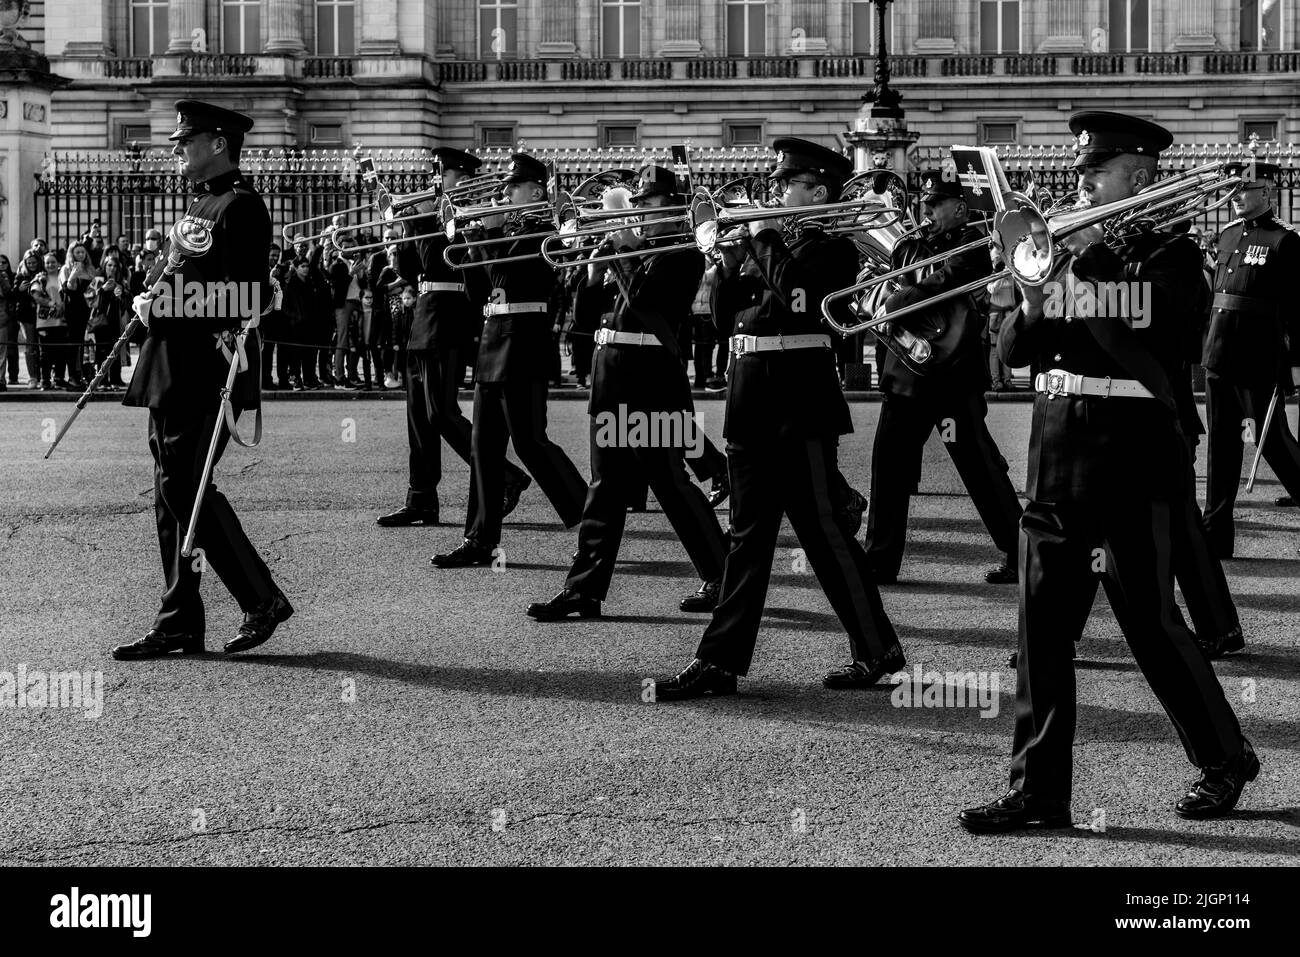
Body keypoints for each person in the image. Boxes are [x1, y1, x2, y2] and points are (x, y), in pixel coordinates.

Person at [959, 111, 1257, 833]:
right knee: (1041, 630)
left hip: (1132, 454)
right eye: (1084, 168)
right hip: (1056, 452)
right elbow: (1017, 350)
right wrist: (1028, 288)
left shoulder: (1173, 256)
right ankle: (1038, 791)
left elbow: (1144, 329)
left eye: (1098, 170)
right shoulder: (1061, 252)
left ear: (1140, 177)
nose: (1082, 179)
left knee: (1151, 624)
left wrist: (1081, 263)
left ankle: (1225, 756)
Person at [653, 137, 903, 700]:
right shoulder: (769, 250)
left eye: (785, 184)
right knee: (747, 536)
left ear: (817, 191)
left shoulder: (833, 248)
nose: (774, 192)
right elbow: (726, 322)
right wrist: (726, 261)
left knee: (824, 534)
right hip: (749, 403)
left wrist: (762, 236)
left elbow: (796, 298)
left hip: (799, 404)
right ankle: (720, 660)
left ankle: (877, 648)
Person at [111, 99, 292, 660]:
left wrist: (161, 309)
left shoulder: (242, 207)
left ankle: (260, 598)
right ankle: (180, 620)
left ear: (218, 143)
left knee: (187, 490)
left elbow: (245, 296)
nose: (176, 148)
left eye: (186, 141)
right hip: (172, 365)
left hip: (204, 368)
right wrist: (151, 298)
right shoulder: (201, 204)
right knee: (171, 494)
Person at [525, 166, 729, 621]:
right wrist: (596, 267)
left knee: (669, 481)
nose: (638, 213)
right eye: (635, 205)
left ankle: (722, 575)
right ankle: (585, 589)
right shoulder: (633, 250)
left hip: (651, 373)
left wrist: (622, 250)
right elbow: (584, 310)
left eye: (647, 205)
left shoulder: (684, 252)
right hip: (611, 369)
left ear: (672, 207)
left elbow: (643, 298)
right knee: (606, 483)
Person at [862, 170, 1024, 586]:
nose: (926, 211)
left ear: (959, 209)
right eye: (925, 205)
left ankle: (1021, 553)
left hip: (952, 377)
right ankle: (880, 559)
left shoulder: (971, 247)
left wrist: (895, 298)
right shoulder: (908, 246)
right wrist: (871, 292)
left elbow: (945, 282)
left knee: (980, 469)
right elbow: (886, 290)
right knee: (889, 468)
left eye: (935, 205)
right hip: (905, 374)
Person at [432, 152, 588, 567]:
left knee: (531, 442)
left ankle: (592, 523)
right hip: (492, 341)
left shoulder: (545, 232)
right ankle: (480, 539)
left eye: (512, 187)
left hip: (523, 342)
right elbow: (479, 290)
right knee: (484, 446)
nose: (504, 192)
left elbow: (513, 278)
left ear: (535, 191)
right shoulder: (507, 232)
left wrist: (493, 236)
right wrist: (472, 240)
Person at [377, 146, 532, 528]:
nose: (434, 180)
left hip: (449, 318)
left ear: (459, 178)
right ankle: (421, 499)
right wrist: (403, 239)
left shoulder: (466, 216)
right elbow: (417, 270)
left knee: (441, 412)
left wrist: (423, 223)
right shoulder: (434, 214)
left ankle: (507, 477)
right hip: (424, 318)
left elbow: (448, 263)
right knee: (419, 418)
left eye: (440, 174)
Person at [1201, 161, 1300, 548]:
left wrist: (1287, 363)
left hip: (1258, 357)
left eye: (1246, 188)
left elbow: (1296, 309)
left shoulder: (1284, 241)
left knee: (1270, 441)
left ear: (1268, 193)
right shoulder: (1225, 237)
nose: (1237, 195)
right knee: (1220, 444)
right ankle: (1217, 531)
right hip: (1219, 354)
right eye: (1234, 189)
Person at [89, 247, 130, 390]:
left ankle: (116, 378)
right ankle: (102, 380)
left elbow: (127, 303)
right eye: (109, 265)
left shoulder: (122, 282)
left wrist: (121, 295)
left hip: (116, 320)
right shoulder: (98, 280)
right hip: (101, 321)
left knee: (116, 349)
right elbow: (88, 298)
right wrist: (102, 290)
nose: (112, 268)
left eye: (115, 266)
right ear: (105, 266)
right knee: (101, 351)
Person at [58, 241, 96, 390]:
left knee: (84, 343)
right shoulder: (66, 268)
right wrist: (74, 273)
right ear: (72, 253)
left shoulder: (90, 268)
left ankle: (83, 375)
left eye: (82, 252)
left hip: (87, 307)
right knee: (73, 343)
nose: (80, 254)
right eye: (77, 252)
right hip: (72, 308)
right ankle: (73, 376)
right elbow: (68, 289)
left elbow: (95, 287)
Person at [30, 252, 67, 390]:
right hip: (45, 321)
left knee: (61, 351)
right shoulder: (40, 278)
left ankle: (59, 379)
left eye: (53, 262)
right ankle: (45, 380)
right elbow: (36, 296)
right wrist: (52, 304)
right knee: (45, 353)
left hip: (61, 319)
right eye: (47, 262)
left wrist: (62, 306)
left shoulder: (63, 277)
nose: (50, 265)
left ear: (58, 263)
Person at [10, 252, 42, 388]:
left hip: (42, 315)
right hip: (26, 316)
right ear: (25, 263)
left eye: (34, 262)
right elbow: (13, 295)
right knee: (30, 345)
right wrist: (20, 289)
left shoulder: (42, 274)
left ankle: (42, 376)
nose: (32, 265)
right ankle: (32, 377)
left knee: (42, 347)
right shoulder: (20, 276)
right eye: (29, 263)